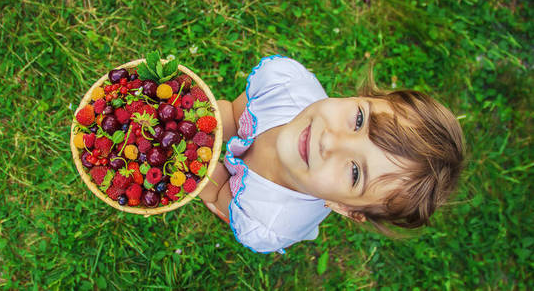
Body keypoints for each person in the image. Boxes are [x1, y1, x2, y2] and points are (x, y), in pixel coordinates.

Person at [199, 55, 464, 253]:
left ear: (346, 207)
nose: (329, 140)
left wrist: (191, 165)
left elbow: (214, 187)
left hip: (256, 201)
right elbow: (230, 115)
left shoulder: (264, 219)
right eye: (359, 120)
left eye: (355, 172)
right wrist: (195, 130)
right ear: (360, 97)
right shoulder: (284, 88)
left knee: (218, 193)